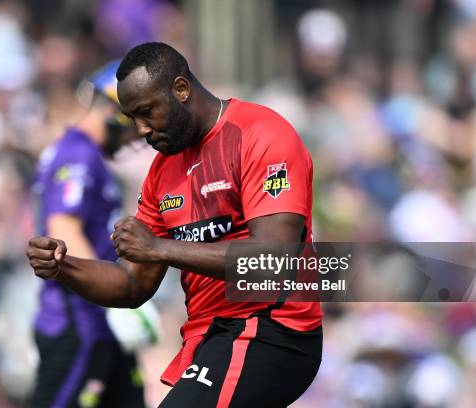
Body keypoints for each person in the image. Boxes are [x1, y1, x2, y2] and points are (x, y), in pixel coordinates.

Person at [27, 42, 323, 407]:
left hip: (270, 329)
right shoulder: (162, 172)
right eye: (131, 117)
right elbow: (132, 285)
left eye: (146, 111)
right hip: (210, 337)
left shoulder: (260, 133)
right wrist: (63, 267)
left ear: (181, 89)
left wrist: (159, 247)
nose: (141, 130)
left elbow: (274, 260)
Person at [29, 61, 146, 408]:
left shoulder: (85, 156)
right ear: (115, 112)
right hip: (80, 323)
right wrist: (115, 300)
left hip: (100, 324)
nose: (140, 134)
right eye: (135, 121)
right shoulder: (79, 156)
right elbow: (64, 232)